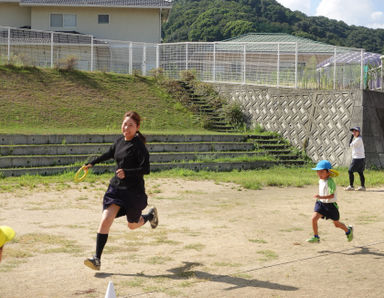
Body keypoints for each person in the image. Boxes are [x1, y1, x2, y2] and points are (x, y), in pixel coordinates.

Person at [84, 111, 158, 271]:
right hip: (116, 189)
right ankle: (97, 259)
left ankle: (149, 216)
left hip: (133, 193)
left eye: (131, 125)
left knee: (132, 225)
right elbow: (109, 154)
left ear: (137, 127)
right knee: (105, 220)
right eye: (125, 124)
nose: (126, 127)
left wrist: (127, 172)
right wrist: (93, 163)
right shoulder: (119, 141)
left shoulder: (139, 146)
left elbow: (146, 169)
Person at [307, 160, 353, 243]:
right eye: (318, 171)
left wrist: (320, 196)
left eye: (322, 171)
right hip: (321, 204)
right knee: (314, 219)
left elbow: (331, 196)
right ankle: (316, 236)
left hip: (331, 206)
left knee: (336, 224)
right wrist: (320, 198)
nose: (319, 173)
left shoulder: (330, 182)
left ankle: (348, 231)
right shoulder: (320, 180)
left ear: (328, 173)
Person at [345, 126, 366, 191]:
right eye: (353, 131)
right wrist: (353, 136)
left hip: (357, 158)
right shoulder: (358, 139)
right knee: (360, 172)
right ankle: (363, 187)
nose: (354, 132)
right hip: (361, 158)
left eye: (355, 131)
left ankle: (351, 186)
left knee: (350, 171)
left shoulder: (358, 139)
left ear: (358, 132)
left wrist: (351, 137)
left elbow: (350, 145)